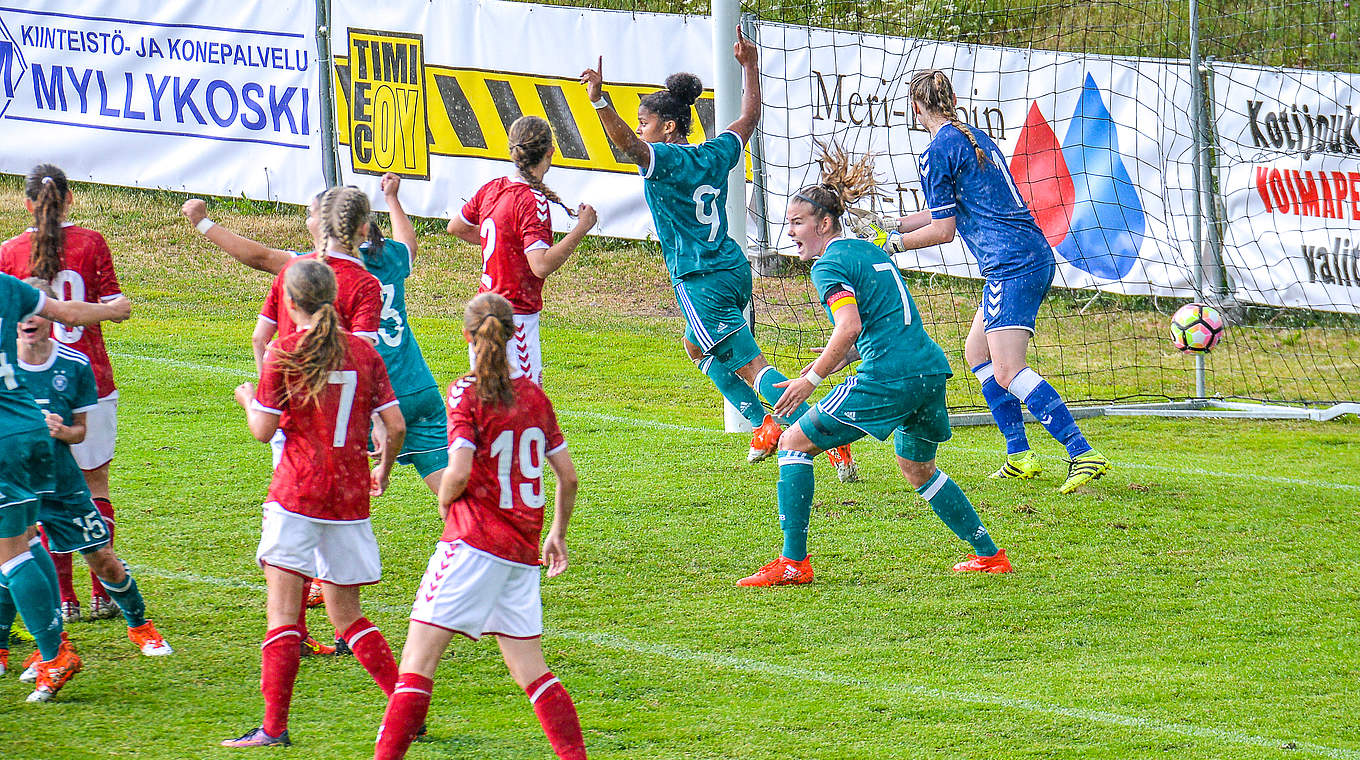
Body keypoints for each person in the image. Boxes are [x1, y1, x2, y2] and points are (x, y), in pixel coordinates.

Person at [580, 33, 858, 481]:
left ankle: (821, 434)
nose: (639, 130)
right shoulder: (713, 152)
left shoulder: (664, 160)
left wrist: (599, 102)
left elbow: (627, 147)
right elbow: (748, 117)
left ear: (668, 127)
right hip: (732, 267)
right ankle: (763, 424)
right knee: (695, 346)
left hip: (699, 277)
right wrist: (749, 65)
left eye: (644, 122)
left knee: (753, 366)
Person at [736, 147, 1011, 586]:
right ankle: (989, 554)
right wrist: (819, 366)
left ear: (824, 223)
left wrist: (810, 380)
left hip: (889, 375)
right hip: (928, 370)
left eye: (796, 222)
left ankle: (793, 564)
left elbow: (849, 326)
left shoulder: (829, 265)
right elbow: (867, 333)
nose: (790, 233)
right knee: (916, 467)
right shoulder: (868, 252)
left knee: (792, 442)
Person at [373, 293, 586, 760]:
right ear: (512, 334)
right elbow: (567, 475)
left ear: (467, 335)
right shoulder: (533, 396)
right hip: (520, 554)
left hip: (471, 544)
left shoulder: (466, 392)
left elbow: (460, 470)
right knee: (534, 672)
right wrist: (558, 533)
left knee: (416, 665)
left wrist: (447, 499)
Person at [887, 70, 1109, 493]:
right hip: (1026, 255)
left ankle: (1082, 453)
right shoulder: (972, 136)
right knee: (978, 351)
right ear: (951, 98)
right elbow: (940, 214)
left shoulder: (937, 152)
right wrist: (892, 225)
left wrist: (894, 247)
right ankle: (1019, 454)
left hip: (1011, 264)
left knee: (1008, 369)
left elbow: (943, 231)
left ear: (915, 109)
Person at [188, 185, 387, 655]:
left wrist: (265, 395)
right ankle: (322, 629)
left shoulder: (295, 271)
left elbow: (261, 338)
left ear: (316, 220)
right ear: (362, 228)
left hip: (288, 422)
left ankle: (293, 638)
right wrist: (374, 423)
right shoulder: (364, 284)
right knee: (327, 536)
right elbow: (366, 359)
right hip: (339, 428)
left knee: (289, 531)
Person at [224, 259, 405, 747]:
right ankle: (405, 710)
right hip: (348, 498)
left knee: (283, 613)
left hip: (298, 493)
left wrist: (246, 397)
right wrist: (382, 470)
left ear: (289, 301)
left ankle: (274, 729)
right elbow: (396, 426)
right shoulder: (364, 355)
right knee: (348, 616)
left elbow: (263, 431)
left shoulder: (284, 351)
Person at [3, 278, 172, 682]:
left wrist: (63, 432)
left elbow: (82, 430)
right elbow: (72, 312)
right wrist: (113, 310)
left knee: (36, 554)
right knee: (18, 549)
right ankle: (34, 646)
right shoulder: (8, 300)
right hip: (23, 456)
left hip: (55, 477)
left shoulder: (72, 364)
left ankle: (123, 628)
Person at [1, 164, 129, 621]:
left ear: (27, 203)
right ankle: (105, 591)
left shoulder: (10, 252)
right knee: (95, 484)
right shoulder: (92, 243)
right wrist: (108, 311)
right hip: (89, 376)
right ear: (70, 199)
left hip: (27, 388)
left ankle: (64, 599)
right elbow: (116, 303)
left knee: (38, 493)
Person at [446, 115, 597, 386]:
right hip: (514, 318)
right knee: (523, 408)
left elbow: (456, 227)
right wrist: (581, 228)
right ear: (550, 151)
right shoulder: (532, 201)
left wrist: (506, 246)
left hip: (483, 312)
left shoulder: (492, 188)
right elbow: (540, 265)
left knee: (488, 401)